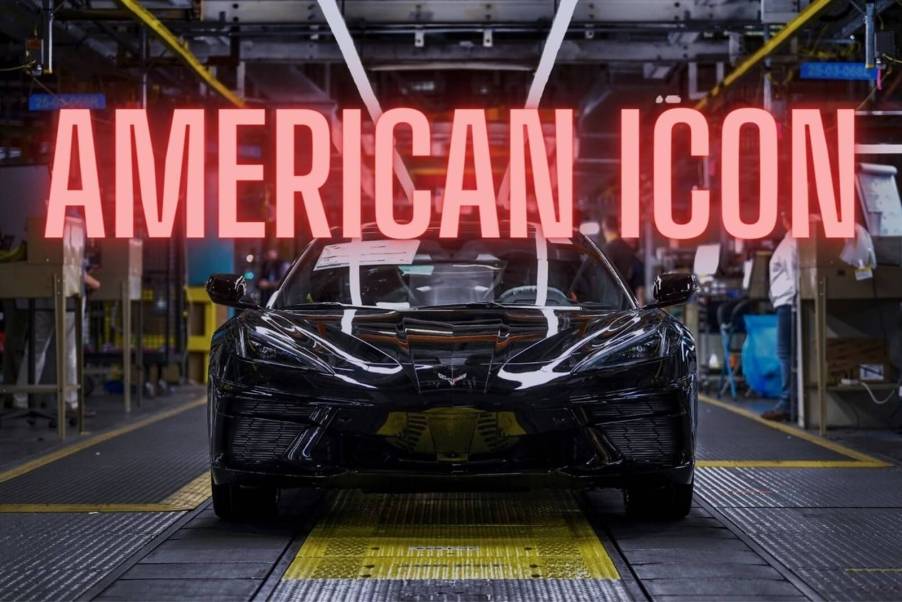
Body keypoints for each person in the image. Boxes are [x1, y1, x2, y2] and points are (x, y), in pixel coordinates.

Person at [762, 210, 798, 422]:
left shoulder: (790, 244)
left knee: (787, 355)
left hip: (789, 304)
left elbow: (795, 278)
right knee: (791, 355)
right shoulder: (794, 242)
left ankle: (787, 403)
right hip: (788, 304)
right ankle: (791, 402)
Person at [601, 214, 645, 304]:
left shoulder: (604, 251)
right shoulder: (629, 250)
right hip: (629, 304)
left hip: (609, 305)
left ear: (604, 228)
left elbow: (600, 282)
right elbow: (639, 286)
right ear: (618, 228)